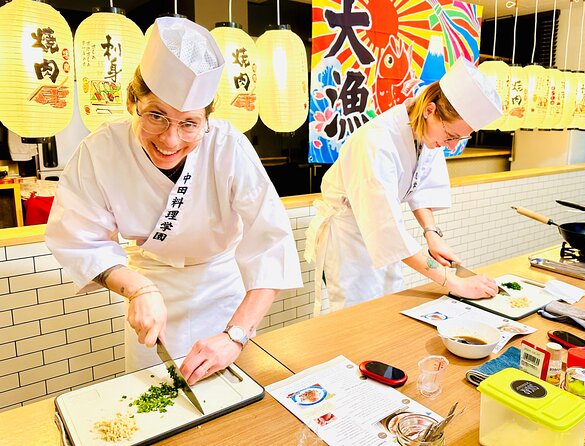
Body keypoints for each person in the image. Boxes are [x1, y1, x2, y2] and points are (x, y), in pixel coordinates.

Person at [45, 17, 302, 384]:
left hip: (222, 295)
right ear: (132, 101)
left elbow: (271, 243)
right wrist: (137, 288)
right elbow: (78, 239)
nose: (170, 141)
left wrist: (236, 335)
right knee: (154, 405)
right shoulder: (101, 151)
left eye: (189, 124)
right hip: (149, 295)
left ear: (207, 119)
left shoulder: (228, 146)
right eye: (156, 116)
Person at [305, 58, 502, 315]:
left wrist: (432, 233)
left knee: (388, 304)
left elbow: (422, 186)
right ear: (430, 110)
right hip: (349, 239)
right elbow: (384, 229)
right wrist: (454, 283)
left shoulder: (425, 132)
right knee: (355, 314)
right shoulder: (376, 142)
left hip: (383, 234)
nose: (452, 146)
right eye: (452, 136)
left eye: (461, 138)